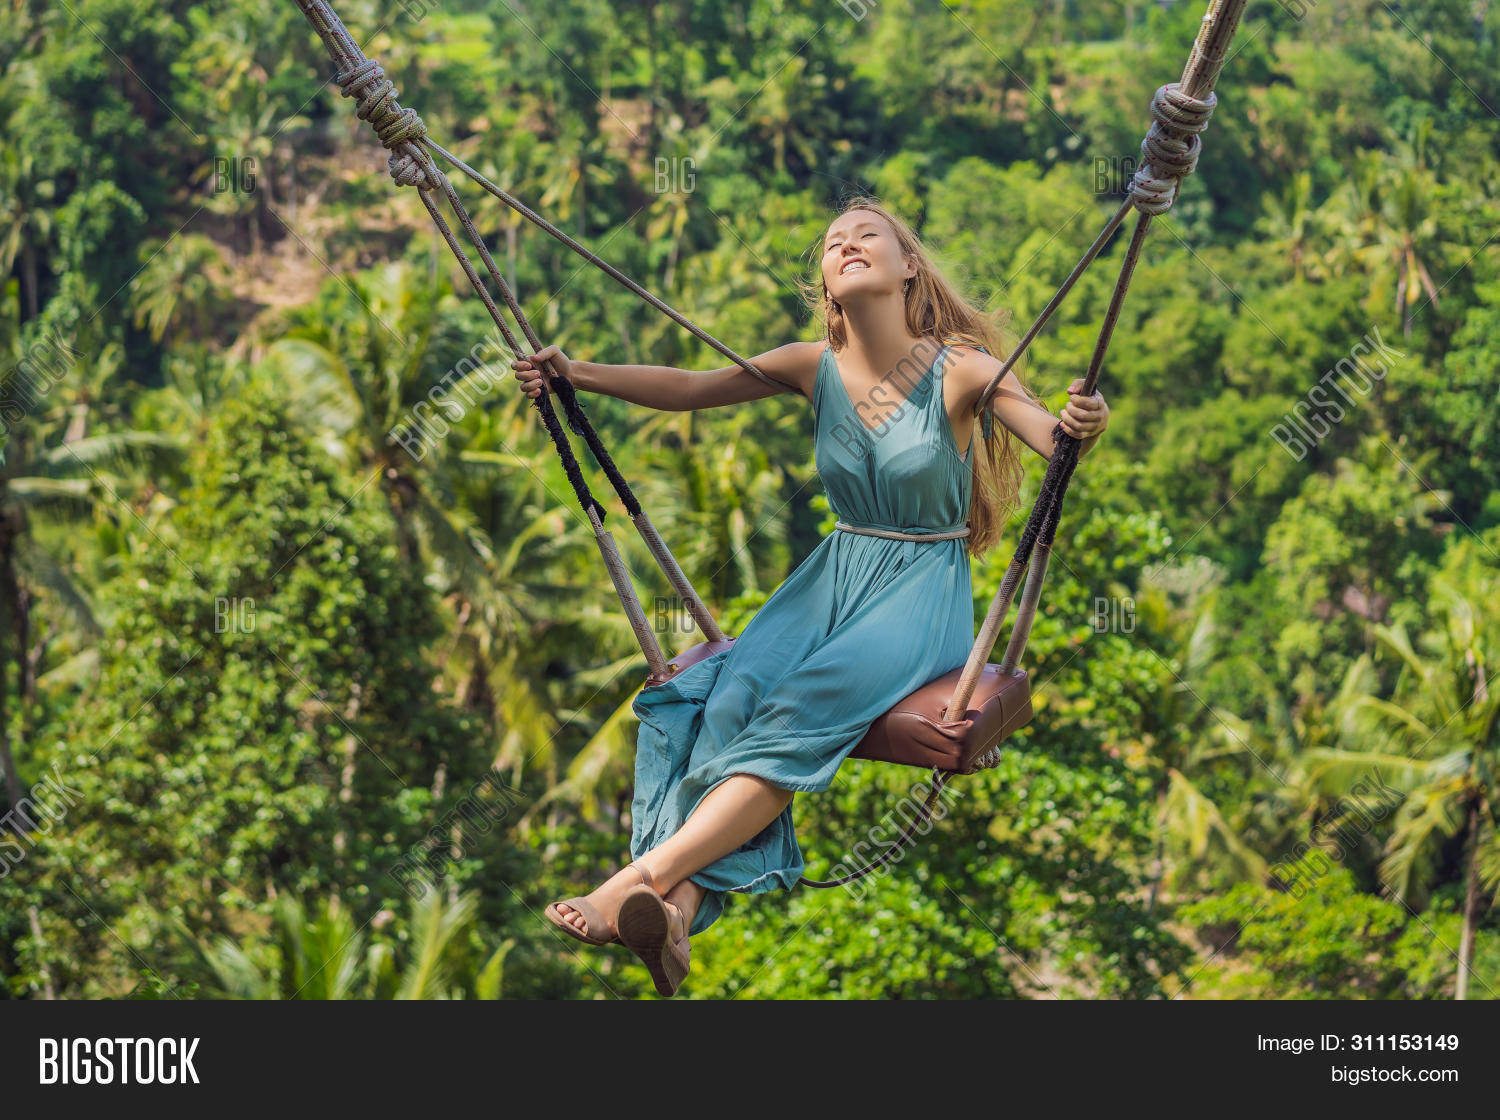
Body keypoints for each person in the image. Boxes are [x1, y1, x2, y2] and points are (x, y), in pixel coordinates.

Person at [511, 196, 1109, 996]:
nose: (848, 245)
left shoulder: (959, 367)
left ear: (908, 268)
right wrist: (573, 374)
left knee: (796, 712)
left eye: (869, 237)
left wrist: (1083, 423)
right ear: (828, 283)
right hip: (832, 575)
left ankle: (632, 882)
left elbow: (1049, 437)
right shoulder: (810, 364)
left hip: (919, 588)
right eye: (834, 243)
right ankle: (677, 914)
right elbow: (689, 386)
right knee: (728, 703)